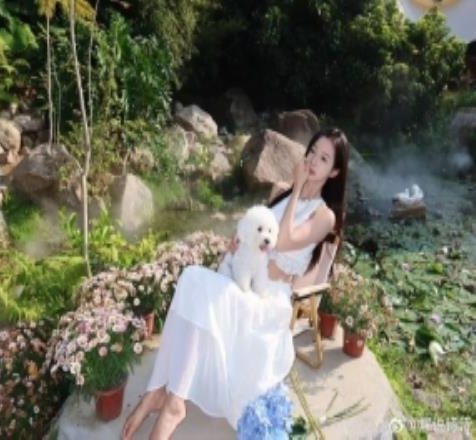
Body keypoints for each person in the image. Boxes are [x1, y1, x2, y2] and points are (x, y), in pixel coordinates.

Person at [122, 128, 350, 440]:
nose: (312, 161)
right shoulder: (280, 191)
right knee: (192, 281)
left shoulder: (324, 216)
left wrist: (297, 188)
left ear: (334, 171)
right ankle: (162, 395)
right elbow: (255, 234)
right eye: (311, 152)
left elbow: (283, 241)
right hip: (243, 280)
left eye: (323, 158)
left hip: (269, 299)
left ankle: (169, 399)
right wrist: (238, 243)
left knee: (194, 281)